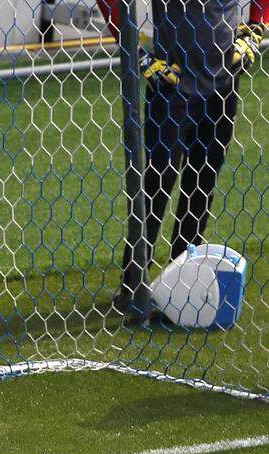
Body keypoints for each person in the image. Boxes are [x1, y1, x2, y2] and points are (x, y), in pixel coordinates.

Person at [95, 0, 263, 308]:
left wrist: (256, 27)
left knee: (203, 181)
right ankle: (133, 285)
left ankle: (182, 282)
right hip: (171, 82)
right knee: (159, 182)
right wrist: (136, 51)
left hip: (224, 79)